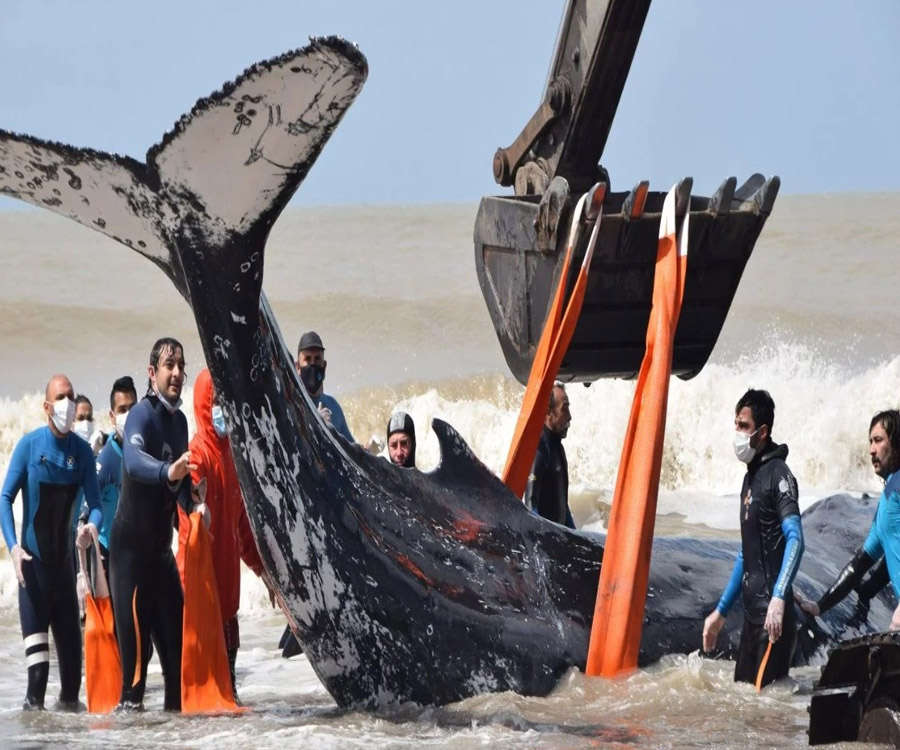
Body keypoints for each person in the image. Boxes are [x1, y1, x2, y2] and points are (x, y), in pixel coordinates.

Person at [109, 338, 204, 711]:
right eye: (169, 365)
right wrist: (170, 471)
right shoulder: (141, 416)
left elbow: (176, 485)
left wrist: (193, 503)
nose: (177, 373)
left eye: (181, 365)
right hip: (130, 559)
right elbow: (133, 463)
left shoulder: (180, 421)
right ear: (152, 373)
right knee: (134, 681)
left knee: (178, 674)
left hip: (161, 558)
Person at [0, 374, 102, 710]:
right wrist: (13, 547)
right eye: (61, 397)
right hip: (34, 578)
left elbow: (97, 506)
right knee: (37, 684)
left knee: (73, 688)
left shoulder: (83, 453)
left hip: (63, 578)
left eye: (71, 396)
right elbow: (4, 497)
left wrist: (91, 529)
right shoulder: (30, 446)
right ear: (47, 406)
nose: (68, 403)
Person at [702, 389, 804, 688]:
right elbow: (746, 555)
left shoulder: (780, 476)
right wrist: (720, 612)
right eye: (736, 424)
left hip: (773, 623)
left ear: (763, 432)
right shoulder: (750, 478)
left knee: (766, 719)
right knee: (743, 709)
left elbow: (796, 539)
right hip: (751, 621)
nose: (737, 433)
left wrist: (779, 598)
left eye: (743, 426)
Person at [187, 368, 270, 698]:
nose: (222, 407)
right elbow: (186, 519)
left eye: (225, 399)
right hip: (203, 597)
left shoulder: (233, 455)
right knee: (205, 697)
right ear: (204, 403)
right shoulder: (197, 455)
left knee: (229, 695)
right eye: (216, 400)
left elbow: (242, 526)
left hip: (229, 601)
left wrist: (262, 570)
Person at [795, 410, 900, 630]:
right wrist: (820, 606)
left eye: (878, 440)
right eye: (870, 441)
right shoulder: (887, 502)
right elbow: (859, 566)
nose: (871, 449)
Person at [92, 376, 138, 578]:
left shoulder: (147, 448)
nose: (128, 415)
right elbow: (85, 509)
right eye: (122, 410)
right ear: (112, 416)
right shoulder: (106, 460)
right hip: (108, 556)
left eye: (132, 408)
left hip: (139, 552)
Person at [524, 383, 575, 529]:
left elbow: (562, 506)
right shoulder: (539, 451)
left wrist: (576, 537)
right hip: (545, 545)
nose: (569, 417)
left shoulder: (559, 449)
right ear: (548, 411)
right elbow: (530, 508)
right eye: (564, 408)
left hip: (559, 542)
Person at [296, 330, 354, 442]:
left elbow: (351, 449)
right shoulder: (293, 404)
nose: (313, 364)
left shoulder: (333, 406)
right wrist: (314, 424)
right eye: (307, 359)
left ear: (324, 366)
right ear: (298, 367)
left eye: (317, 359)